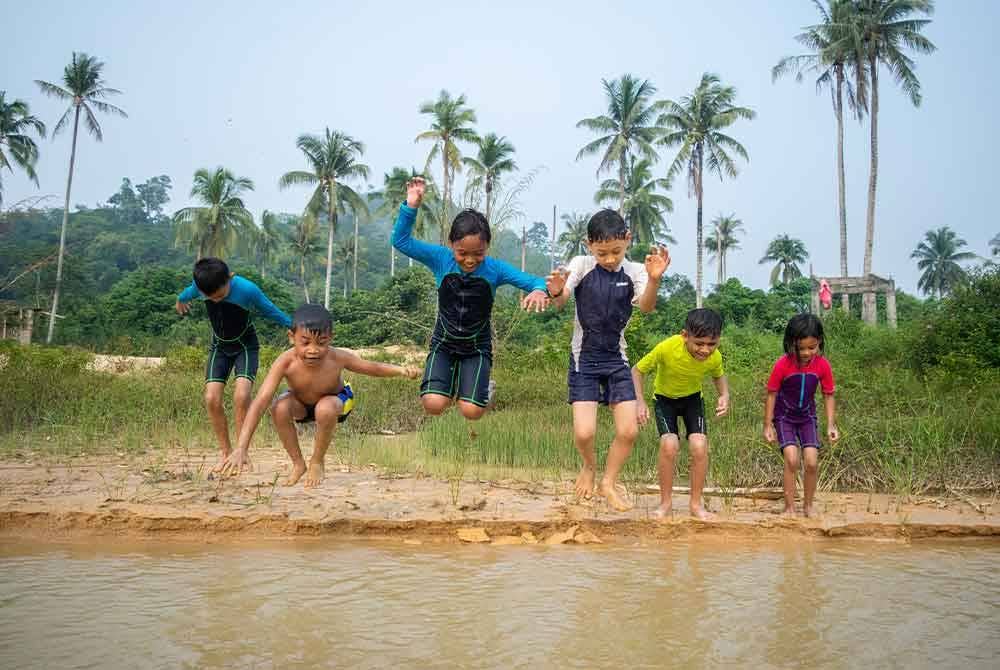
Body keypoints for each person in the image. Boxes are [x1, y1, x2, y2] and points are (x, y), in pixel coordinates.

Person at [392, 176, 550, 420]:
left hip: (477, 348)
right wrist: (411, 205)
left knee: (472, 411)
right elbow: (401, 241)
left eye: (478, 253)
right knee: (434, 404)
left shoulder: (495, 270)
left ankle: (480, 390)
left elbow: (535, 282)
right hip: (443, 343)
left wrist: (540, 290)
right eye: (462, 252)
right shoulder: (440, 258)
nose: (469, 260)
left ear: (487, 246)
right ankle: (453, 386)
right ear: (451, 244)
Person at [545, 209, 669, 512]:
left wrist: (653, 280)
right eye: (602, 253)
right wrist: (556, 291)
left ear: (627, 240)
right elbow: (561, 301)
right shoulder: (582, 265)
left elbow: (647, 306)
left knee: (628, 431)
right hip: (583, 360)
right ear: (589, 245)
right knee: (584, 433)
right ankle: (589, 466)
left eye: (616, 251)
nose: (610, 259)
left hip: (616, 360)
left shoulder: (636, 271)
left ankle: (608, 482)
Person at [220, 304, 420, 487]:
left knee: (324, 407)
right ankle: (299, 464)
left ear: (330, 338)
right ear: (291, 337)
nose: (313, 350)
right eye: (305, 343)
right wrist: (242, 447)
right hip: (302, 403)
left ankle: (317, 461)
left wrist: (401, 370)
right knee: (279, 407)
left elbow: (372, 367)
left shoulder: (337, 357)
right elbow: (260, 401)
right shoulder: (285, 361)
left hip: (337, 400)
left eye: (321, 343)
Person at [175, 257, 292, 472]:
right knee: (211, 398)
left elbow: (270, 310)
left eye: (220, 295)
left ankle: (242, 451)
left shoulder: (248, 290)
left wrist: (293, 326)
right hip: (220, 347)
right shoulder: (199, 288)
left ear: (230, 277)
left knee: (242, 395)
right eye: (211, 297)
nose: (216, 300)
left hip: (246, 347)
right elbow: (185, 294)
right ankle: (226, 453)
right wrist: (181, 300)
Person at [632, 308, 730, 521]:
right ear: (685, 335)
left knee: (699, 445)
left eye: (711, 344)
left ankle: (696, 506)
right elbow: (637, 371)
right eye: (699, 343)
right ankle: (665, 504)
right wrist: (639, 402)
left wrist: (724, 395)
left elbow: (718, 376)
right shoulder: (667, 348)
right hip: (664, 400)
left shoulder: (715, 357)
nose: (705, 350)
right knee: (669, 445)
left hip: (693, 400)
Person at [764, 313, 838, 517]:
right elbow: (771, 394)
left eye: (811, 347)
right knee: (791, 459)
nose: (806, 352)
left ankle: (808, 506)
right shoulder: (783, 365)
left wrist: (831, 425)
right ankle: (789, 508)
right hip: (784, 417)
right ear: (791, 343)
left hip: (807, 418)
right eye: (801, 348)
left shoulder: (822, 365)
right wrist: (768, 425)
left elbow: (828, 395)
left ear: (819, 343)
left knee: (812, 462)